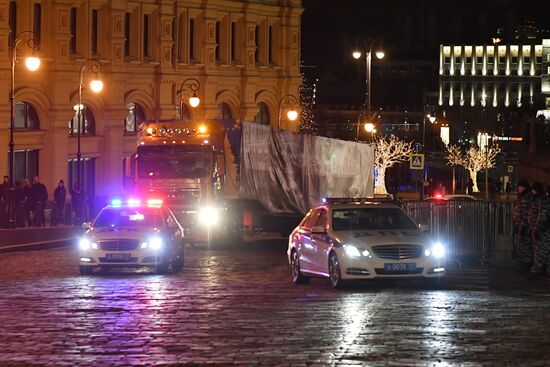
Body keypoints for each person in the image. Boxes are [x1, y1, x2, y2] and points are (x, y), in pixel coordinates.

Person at [512, 179, 533, 269]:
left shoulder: (526, 197)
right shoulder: (525, 196)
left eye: (519, 188)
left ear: (522, 187)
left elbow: (525, 213)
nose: (518, 189)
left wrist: (523, 225)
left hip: (525, 226)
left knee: (526, 245)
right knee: (524, 244)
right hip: (523, 225)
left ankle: (526, 263)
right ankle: (525, 262)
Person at [528, 182, 547, 277]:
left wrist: (536, 228)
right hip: (539, 228)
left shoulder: (541, 200)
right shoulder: (539, 199)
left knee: (540, 250)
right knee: (539, 250)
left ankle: (536, 270)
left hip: (542, 230)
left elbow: (541, 216)